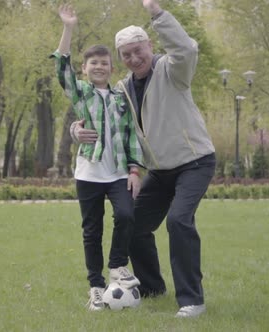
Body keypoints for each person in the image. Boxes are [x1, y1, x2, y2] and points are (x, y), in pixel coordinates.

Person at [72, 0, 216, 318]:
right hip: (161, 171)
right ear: (120, 58)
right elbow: (98, 116)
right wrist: (75, 130)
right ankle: (151, 288)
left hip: (194, 161)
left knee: (179, 221)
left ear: (150, 46)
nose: (135, 58)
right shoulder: (123, 88)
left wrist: (157, 14)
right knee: (133, 224)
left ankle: (192, 300)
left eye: (139, 50)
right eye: (127, 54)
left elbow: (187, 50)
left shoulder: (172, 71)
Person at [51, 4, 143, 311]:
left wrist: (133, 170)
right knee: (92, 231)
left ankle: (117, 265)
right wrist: (68, 28)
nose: (100, 67)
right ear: (85, 69)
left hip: (117, 174)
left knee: (127, 215)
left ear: (112, 69)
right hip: (89, 174)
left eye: (104, 63)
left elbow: (130, 134)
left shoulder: (121, 97)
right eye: (93, 63)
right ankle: (95, 287)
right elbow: (61, 68)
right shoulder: (81, 93)